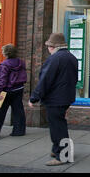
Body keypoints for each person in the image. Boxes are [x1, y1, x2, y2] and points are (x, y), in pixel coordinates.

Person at [28, 33, 77, 166]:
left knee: (58, 128)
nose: (48, 49)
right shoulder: (72, 57)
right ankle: (57, 149)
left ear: (53, 46)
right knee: (59, 125)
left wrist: (34, 98)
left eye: (48, 47)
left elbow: (45, 80)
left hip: (56, 99)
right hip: (66, 97)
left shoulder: (55, 59)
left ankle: (63, 155)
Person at [0, 44, 27, 138]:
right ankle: (19, 131)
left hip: (5, 91)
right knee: (18, 111)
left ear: (6, 53)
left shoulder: (4, 65)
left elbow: (2, 79)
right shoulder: (21, 63)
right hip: (18, 89)